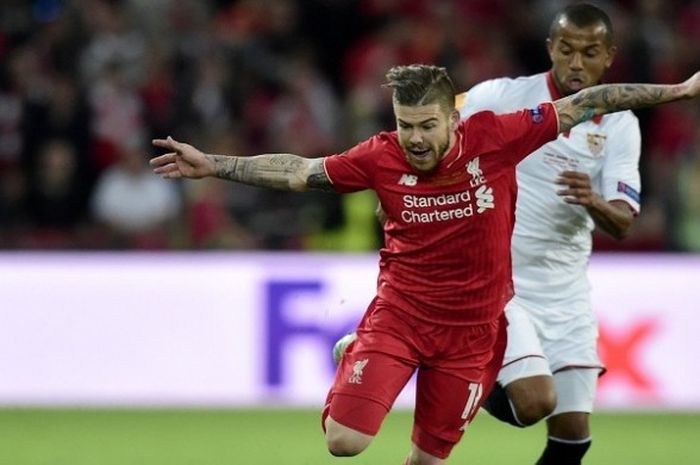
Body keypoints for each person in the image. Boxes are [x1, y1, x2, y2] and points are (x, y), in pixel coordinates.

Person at [150, 64, 700, 465]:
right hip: (402, 316)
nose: (414, 139)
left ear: (453, 121)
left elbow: (590, 101)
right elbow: (301, 171)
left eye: (426, 126)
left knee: (429, 462)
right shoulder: (380, 155)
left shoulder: (498, 137)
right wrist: (214, 165)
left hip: (473, 334)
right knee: (345, 442)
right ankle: (357, 351)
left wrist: (680, 90)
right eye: (405, 125)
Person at [456, 5, 645, 465]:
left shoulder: (621, 124)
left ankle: (438, 360)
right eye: (566, 50)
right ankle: (438, 363)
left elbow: (623, 221)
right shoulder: (503, 96)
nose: (576, 63)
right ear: (550, 49)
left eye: (589, 53)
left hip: (567, 293)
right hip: (504, 283)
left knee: (573, 434)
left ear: (609, 57)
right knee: (535, 404)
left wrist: (594, 201)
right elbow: (438, 121)